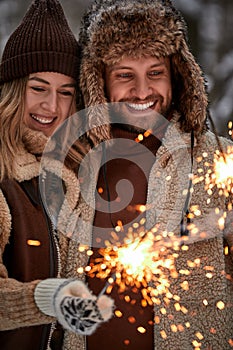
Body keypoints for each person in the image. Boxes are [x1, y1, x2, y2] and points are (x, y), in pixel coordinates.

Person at [73, 0, 233, 349]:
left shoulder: (218, 158)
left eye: (155, 73)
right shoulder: (73, 163)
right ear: (99, 82)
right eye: (125, 75)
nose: (143, 92)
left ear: (177, 75)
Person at [0, 1, 113, 350]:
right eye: (39, 88)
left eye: (65, 93)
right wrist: (51, 298)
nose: (52, 106)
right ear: (13, 90)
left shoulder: (72, 177)